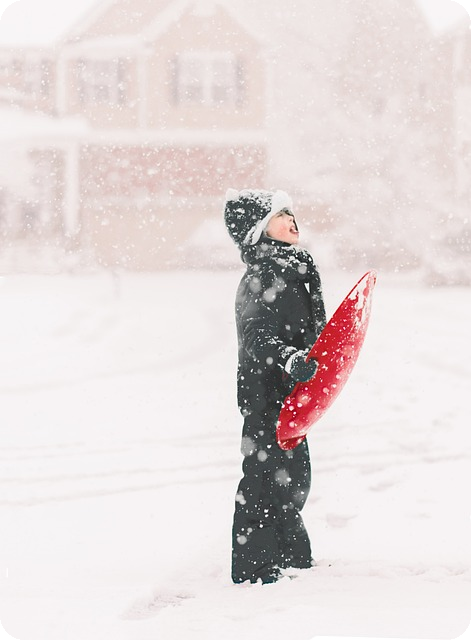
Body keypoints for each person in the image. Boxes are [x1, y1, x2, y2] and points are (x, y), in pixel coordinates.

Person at [223, 188, 327, 585]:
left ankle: (291, 555)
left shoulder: (294, 268)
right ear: (259, 228)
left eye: (291, 212)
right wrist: (288, 358)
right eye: (280, 214)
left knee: (293, 476)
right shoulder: (263, 274)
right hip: (265, 392)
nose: (292, 219)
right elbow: (256, 333)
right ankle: (254, 566)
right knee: (263, 478)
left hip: (291, 392)